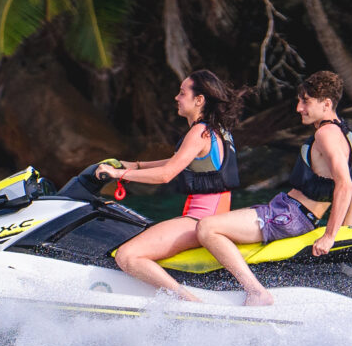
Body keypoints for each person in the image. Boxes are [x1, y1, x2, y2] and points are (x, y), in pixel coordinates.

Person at [193, 71, 352, 307]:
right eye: (299, 100)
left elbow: (345, 184)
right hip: (290, 213)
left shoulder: (325, 134)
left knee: (206, 227)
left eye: (306, 101)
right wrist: (347, 230)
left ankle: (256, 292)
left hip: (289, 216)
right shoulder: (349, 135)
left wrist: (331, 236)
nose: (298, 108)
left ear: (326, 104)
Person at [96, 69, 242, 301]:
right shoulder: (216, 131)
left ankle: (190, 303)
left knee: (127, 255)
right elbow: (179, 160)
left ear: (199, 100)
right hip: (206, 217)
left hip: (199, 221)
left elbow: (166, 174)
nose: (176, 97)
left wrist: (118, 174)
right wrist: (135, 165)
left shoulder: (199, 132)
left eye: (182, 93)